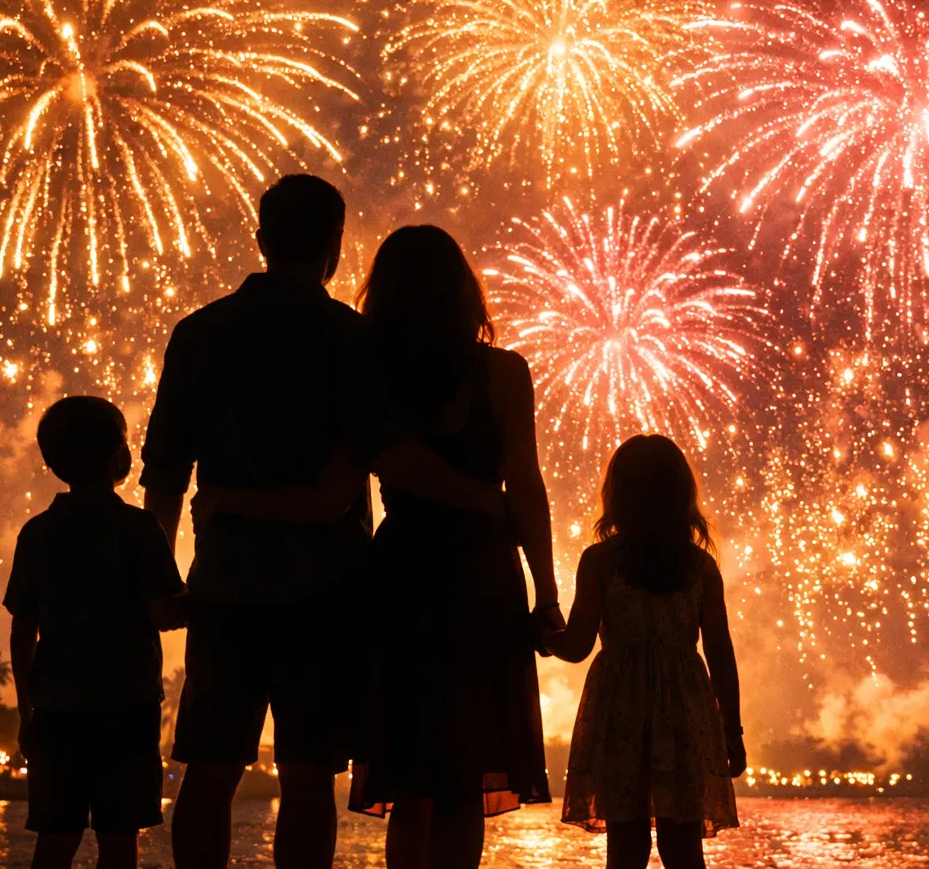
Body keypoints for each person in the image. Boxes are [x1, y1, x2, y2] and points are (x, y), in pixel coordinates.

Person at [141, 176, 501, 869]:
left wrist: (164, 581)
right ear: (336, 246)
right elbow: (357, 477)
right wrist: (489, 499)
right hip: (328, 592)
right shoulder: (351, 339)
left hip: (223, 585)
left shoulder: (200, 333)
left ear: (261, 240)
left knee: (210, 772)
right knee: (310, 778)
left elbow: (162, 472)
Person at [349, 225, 561, 869]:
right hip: (481, 575)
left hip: (403, 569)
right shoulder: (502, 372)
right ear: (463, 290)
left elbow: (374, 465)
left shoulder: (369, 369)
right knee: (465, 778)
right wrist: (547, 592)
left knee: (412, 776)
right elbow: (525, 483)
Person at [542, 435, 747, 869]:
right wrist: (733, 732)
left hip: (619, 712)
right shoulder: (701, 567)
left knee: (625, 846)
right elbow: (721, 654)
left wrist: (542, 636)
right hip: (685, 714)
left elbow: (577, 646)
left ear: (618, 494)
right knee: (684, 847)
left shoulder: (600, 561)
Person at [5, 396, 186, 869]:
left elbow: (21, 633)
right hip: (126, 711)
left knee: (55, 840)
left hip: (56, 713)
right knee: (119, 841)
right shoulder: (139, 528)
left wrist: (27, 712)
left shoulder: (37, 533)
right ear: (118, 460)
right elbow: (164, 612)